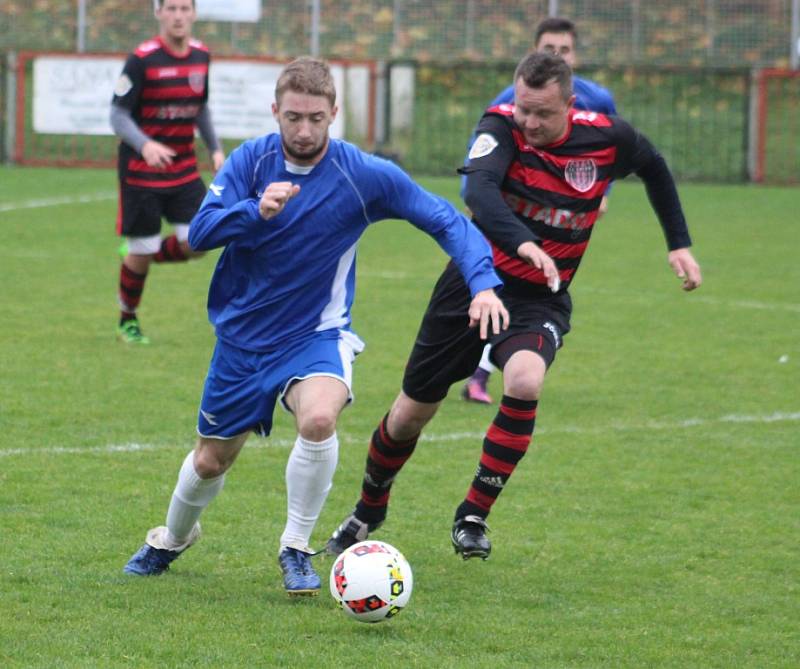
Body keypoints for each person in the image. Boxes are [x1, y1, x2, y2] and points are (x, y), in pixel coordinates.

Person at [122, 57, 508, 595]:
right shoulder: (249, 162)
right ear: (275, 111)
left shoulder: (362, 174)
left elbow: (444, 218)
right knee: (211, 460)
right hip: (241, 341)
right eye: (294, 117)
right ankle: (172, 538)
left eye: (317, 119)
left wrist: (483, 283)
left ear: (334, 114)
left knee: (320, 418)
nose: (305, 130)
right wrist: (256, 210)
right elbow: (203, 231)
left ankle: (295, 548)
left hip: (315, 335)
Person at [325, 51, 701, 561]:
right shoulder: (501, 127)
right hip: (473, 283)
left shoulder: (607, 138)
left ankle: (473, 515)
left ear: (570, 103)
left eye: (542, 113)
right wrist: (523, 243)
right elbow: (479, 192)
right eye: (523, 107)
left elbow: (654, 167)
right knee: (410, 413)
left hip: (537, 299)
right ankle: (368, 508)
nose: (529, 121)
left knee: (525, 379)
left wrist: (677, 242)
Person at [462, 16, 617, 403]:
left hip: (560, 220)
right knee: (499, 289)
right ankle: (476, 371)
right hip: (509, 214)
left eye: (564, 50)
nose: (558, 56)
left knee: (533, 292)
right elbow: (480, 164)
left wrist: (602, 193)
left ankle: (483, 371)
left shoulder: (598, 99)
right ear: (534, 53)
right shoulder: (506, 100)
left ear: (575, 54)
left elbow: (611, 150)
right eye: (549, 49)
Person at [111, 0, 225, 344]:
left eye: (184, 9)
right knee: (140, 249)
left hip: (183, 170)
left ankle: (145, 254)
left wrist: (215, 148)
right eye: (171, 8)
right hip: (141, 173)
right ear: (158, 12)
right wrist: (145, 144)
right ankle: (127, 319)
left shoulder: (201, 56)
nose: (178, 16)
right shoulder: (142, 59)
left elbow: (200, 107)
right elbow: (117, 115)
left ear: (193, 14)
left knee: (202, 240)